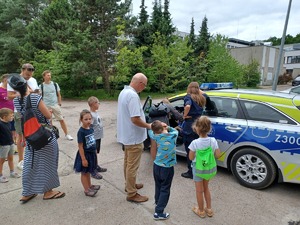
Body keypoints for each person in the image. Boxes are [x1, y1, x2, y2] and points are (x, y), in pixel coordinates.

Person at [9, 74, 65, 203]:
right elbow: (47, 115)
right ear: (26, 84)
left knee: (30, 164)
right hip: (44, 135)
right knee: (48, 163)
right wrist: (49, 113)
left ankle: (28, 192)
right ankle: (48, 191)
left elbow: (22, 116)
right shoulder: (35, 97)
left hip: (30, 137)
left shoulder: (16, 100)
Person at [117, 73, 151, 203]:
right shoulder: (132, 95)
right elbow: (135, 119)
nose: (144, 88)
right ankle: (132, 193)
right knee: (132, 166)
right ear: (140, 83)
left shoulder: (124, 92)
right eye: (144, 85)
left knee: (127, 163)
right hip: (134, 137)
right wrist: (149, 126)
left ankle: (129, 185)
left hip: (127, 136)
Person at [7, 64, 40, 170]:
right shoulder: (13, 80)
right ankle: (21, 160)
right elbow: (9, 96)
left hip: (34, 111)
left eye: (31, 73)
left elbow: (38, 92)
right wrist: (23, 93)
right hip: (20, 112)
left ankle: (32, 157)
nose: (29, 75)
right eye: (27, 73)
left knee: (34, 134)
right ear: (22, 70)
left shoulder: (33, 80)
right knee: (21, 136)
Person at [189, 116, 221, 218]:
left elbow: (191, 157)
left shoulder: (194, 143)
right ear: (209, 128)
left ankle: (201, 211)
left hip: (198, 169)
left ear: (197, 128)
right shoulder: (213, 140)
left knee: (199, 190)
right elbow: (218, 155)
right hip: (208, 169)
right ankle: (209, 209)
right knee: (206, 188)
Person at [148, 120, 178, 220]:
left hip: (157, 165)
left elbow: (150, 131)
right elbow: (174, 130)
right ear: (163, 127)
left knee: (158, 185)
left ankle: (158, 202)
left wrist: (157, 127)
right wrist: (167, 127)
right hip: (167, 167)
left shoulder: (155, 136)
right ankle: (159, 212)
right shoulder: (173, 135)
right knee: (165, 188)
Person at [181, 82, 207, 179]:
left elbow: (187, 106)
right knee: (198, 148)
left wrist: (184, 115)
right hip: (199, 124)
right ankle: (201, 169)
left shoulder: (188, 97)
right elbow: (205, 94)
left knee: (190, 149)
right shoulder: (202, 97)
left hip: (190, 125)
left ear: (189, 88)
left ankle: (191, 172)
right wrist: (197, 89)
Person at [39, 70, 73, 141]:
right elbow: (40, 97)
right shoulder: (41, 86)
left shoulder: (55, 84)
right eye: (48, 75)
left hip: (55, 105)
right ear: (44, 76)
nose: (49, 77)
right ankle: (51, 135)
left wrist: (59, 102)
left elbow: (59, 94)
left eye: (50, 75)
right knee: (49, 121)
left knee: (61, 119)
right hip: (46, 106)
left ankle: (67, 134)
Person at [74, 109, 100, 197]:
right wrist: (83, 159)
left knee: (89, 171)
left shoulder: (91, 129)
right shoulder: (81, 132)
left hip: (92, 154)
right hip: (85, 155)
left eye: (90, 119)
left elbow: (93, 142)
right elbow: (80, 146)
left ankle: (90, 186)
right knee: (84, 172)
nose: (88, 121)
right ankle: (86, 189)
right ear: (81, 120)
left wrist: (95, 153)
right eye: (86, 119)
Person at [88, 96, 107, 180]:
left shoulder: (95, 112)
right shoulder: (91, 115)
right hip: (94, 137)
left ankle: (96, 166)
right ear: (93, 104)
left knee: (95, 153)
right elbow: (88, 126)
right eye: (98, 102)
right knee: (93, 153)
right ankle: (93, 170)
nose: (99, 104)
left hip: (98, 136)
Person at [0, 108, 21, 183]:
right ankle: (0, 175)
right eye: (11, 116)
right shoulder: (0, 124)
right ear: (5, 117)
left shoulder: (8, 123)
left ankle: (12, 172)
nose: (12, 117)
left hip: (11, 144)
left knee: (11, 158)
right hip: (3, 145)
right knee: (1, 161)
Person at [0, 74, 16, 144]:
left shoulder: (11, 90)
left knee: (13, 129)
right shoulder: (0, 90)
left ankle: (12, 143)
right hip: (3, 114)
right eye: (9, 80)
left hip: (12, 112)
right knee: (4, 129)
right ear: (4, 80)